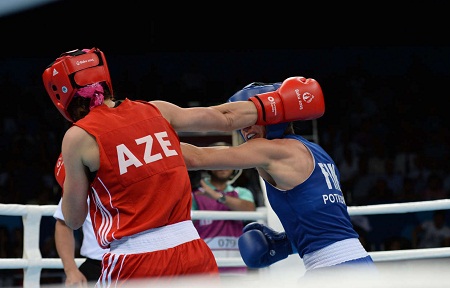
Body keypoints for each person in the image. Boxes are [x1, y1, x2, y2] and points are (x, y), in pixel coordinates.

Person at [42, 47, 324, 285]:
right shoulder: (156, 110)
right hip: (192, 250)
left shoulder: (78, 137)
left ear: (61, 96)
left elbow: (74, 219)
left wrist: (72, 178)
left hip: (137, 260)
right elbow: (225, 117)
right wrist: (279, 103)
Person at [181, 82, 377, 277]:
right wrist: (284, 244)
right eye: (241, 124)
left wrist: (155, 137)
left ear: (274, 114)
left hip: (333, 270)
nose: (245, 129)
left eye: (252, 118)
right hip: (359, 264)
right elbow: (327, 226)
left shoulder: (271, 151)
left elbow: (198, 158)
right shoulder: (318, 152)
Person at [191, 142, 256, 274]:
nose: (223, 165)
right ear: (208, 165)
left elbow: (249, 209)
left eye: (228, 160)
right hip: (206, 267)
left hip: (236, 265)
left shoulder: (242, 193)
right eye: (218, 160)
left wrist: (215, 196)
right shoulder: (195, 195)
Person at [53, 154, 109, 287]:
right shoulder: (80, 184)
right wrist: (71, 270)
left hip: (136, 260)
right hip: (96, 266)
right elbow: (63, 225)